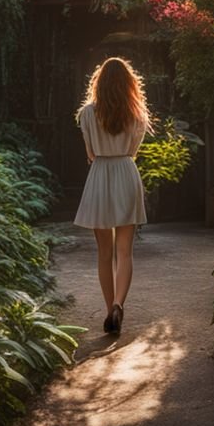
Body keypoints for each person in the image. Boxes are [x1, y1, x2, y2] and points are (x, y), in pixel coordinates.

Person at [73, 57, 151, 335]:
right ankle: (120, 304)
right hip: (126, 173)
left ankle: (109, 311)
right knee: (125, 252)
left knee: (104, 253)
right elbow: (132, 151)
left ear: (99, 82)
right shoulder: (137, 115)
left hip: (100, 175)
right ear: (129, 85)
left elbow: (91, 154)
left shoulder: (86, 113)